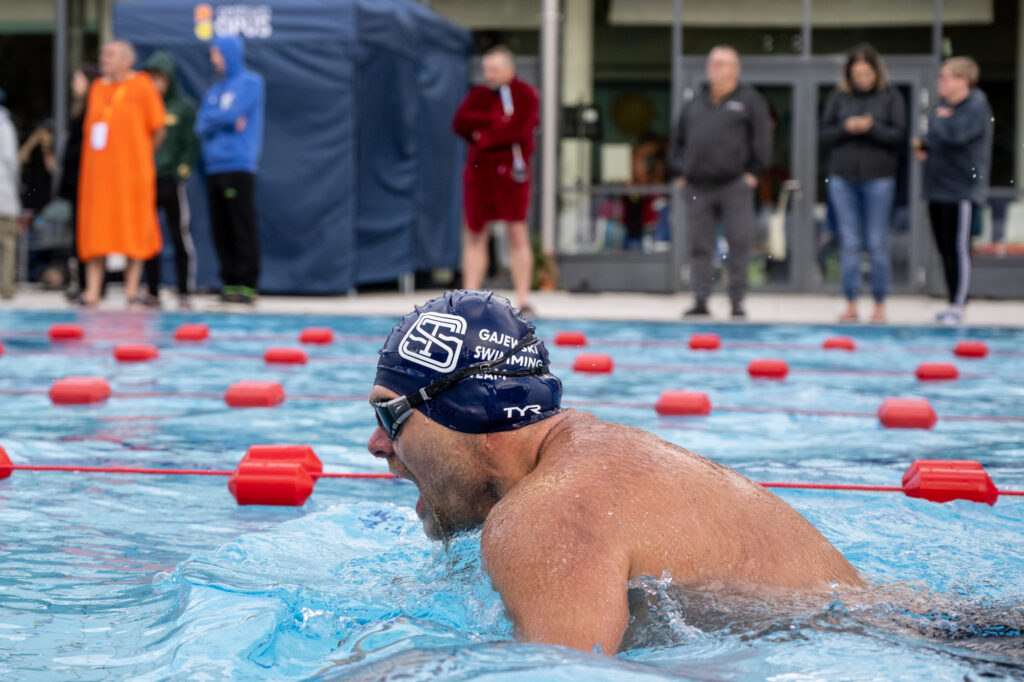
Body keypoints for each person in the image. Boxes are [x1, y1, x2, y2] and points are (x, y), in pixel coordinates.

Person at [367, 289, 863, 653]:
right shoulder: (598, 465)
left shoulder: (544, 518)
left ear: (464, 409)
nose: (376, 445)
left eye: (390, 415)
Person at [671, 45, 772, 319]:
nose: (715, 68)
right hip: (696, 186)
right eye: (713, 63)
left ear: (736, 69)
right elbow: (678, 140)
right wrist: (680, 173)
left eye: (722, 63)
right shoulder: (696, 103)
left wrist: (753, 173)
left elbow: (762, 139)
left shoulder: (749, 101)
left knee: (739, 244)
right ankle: (700, 300)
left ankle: (737, 302)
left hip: (734, 185)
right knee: (699, 246)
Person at [820, 44, 906, 324]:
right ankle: (851, 301)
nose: (862, 78)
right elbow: (824, 134)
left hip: (879, 178)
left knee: (877, 241)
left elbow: (899, 135)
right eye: (857, 73)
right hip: (844, 178)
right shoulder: (838, 97)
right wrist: (846, 128)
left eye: (867, 73)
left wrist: (872, 128)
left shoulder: (890, 96)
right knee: (850, 243)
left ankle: (880, 303)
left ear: (876, 71)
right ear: (849, 74)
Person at [77, 40, 166, 309]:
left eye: (110, 55)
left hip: (132, 176)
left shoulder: (142, 86)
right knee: (96, 234)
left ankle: (131, 291)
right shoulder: (96, 88)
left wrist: (139, 154)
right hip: (97, 177)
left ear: (127, 60)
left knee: (134, 232)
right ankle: (92, 291)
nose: (104, 59)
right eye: (103, 54)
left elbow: (158, 128)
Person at [453, 46, 539, 315]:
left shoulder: (525, 95)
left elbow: (519, 128)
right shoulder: (479, 94)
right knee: (475, 232)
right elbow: (460, 122)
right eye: (486, 70)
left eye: (493, 70)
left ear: (509, 70)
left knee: (516, 231)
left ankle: (522, 298)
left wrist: (485, 134)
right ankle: (470, 298)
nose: (487, 75)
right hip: (480, 168)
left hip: (511, 171)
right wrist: (496, 121)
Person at [915, 57, 993, 325]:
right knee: (944, 249)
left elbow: (955, 136)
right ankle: (951, 302)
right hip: (937, 189)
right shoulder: (944, 109)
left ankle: (958, 305)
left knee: (959, 250)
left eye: (945, 77)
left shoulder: (976, 105)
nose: (940, 83)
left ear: (963, 80)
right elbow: (936, 138)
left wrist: (939, 122)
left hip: (961, 192)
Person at [195, 36, 265, 306]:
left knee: (240, 224)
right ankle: (230, 281)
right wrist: (223, 120)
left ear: (229, 54)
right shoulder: (214, 90)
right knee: (220, 226)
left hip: (239, 165)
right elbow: (201, 124)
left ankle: (248, 283)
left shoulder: (251, 83)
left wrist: (219, 118)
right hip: (213, 167)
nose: (213, 59)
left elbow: (225, 114)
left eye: (216, 53)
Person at [142, 51, 198, 311]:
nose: (156, 83)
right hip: (147, 180)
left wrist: (181, 171)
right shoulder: (142, 106)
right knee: (148, 237)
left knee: (179, 236)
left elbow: (191, 143)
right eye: (151, 78)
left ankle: (184, 290)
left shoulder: (184, 106)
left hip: (171, 181)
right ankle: (152, 290)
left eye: (160, 78)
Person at [58, 63, 100, 300]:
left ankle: (90, 285)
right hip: (75, 182)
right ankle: (84, 283)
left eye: (78, 79)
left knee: (87, 234)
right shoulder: (80, 110)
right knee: (77, 235)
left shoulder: (92, 110)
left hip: (86, 181)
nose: (74, 84)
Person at [0, 88, 20, 299]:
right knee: (6, 244)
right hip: (3, 194)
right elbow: (11, 161)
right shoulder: (5, 125)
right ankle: (6, 288)